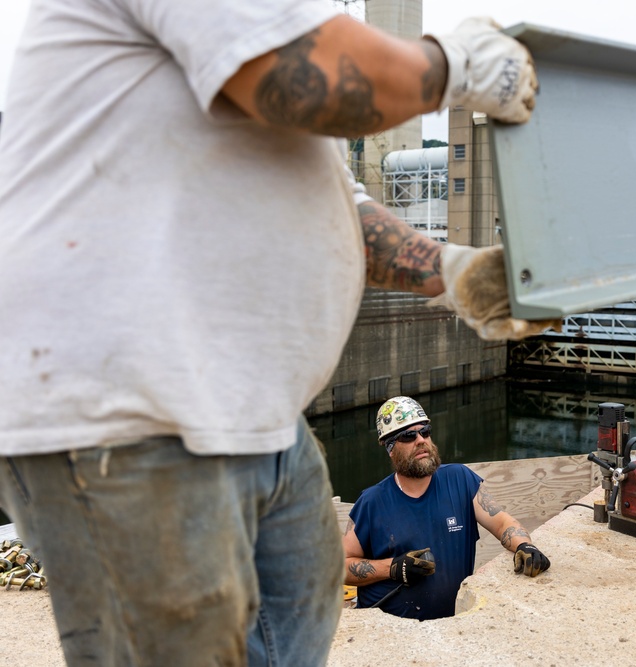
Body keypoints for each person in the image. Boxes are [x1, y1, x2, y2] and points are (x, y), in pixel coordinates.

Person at [0, 2, 558, 665]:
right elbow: (316, 74)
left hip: (250, 407)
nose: (418, 440)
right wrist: (452, 65)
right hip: (127, 402)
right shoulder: (264, 36)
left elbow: (338, 209)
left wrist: (452, 273)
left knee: (296, 620)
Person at [343, 396, 550, 620]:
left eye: (425, 431)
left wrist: (525, 546)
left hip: (451, 628)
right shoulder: (373, 502)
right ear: (390, 449)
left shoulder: (460, 480)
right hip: (393, 632)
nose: (421, 440)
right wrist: (393, 568)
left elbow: (501, 522)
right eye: (409, 436)